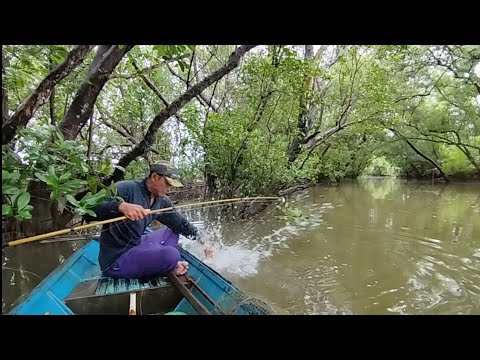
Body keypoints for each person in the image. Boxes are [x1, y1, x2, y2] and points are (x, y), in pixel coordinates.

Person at [84, 161, 208, 279]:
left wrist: (203, 241)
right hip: (117, 259)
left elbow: (181, 224)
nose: (169, 189)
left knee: (172, 233)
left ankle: (157, 261)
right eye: (168, 184)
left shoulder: (162, 201)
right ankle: (166, 266)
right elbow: (88, 211)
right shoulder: (125, 188)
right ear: (154, 177)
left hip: (137, 244)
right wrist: (120, 206)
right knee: (172, 255)